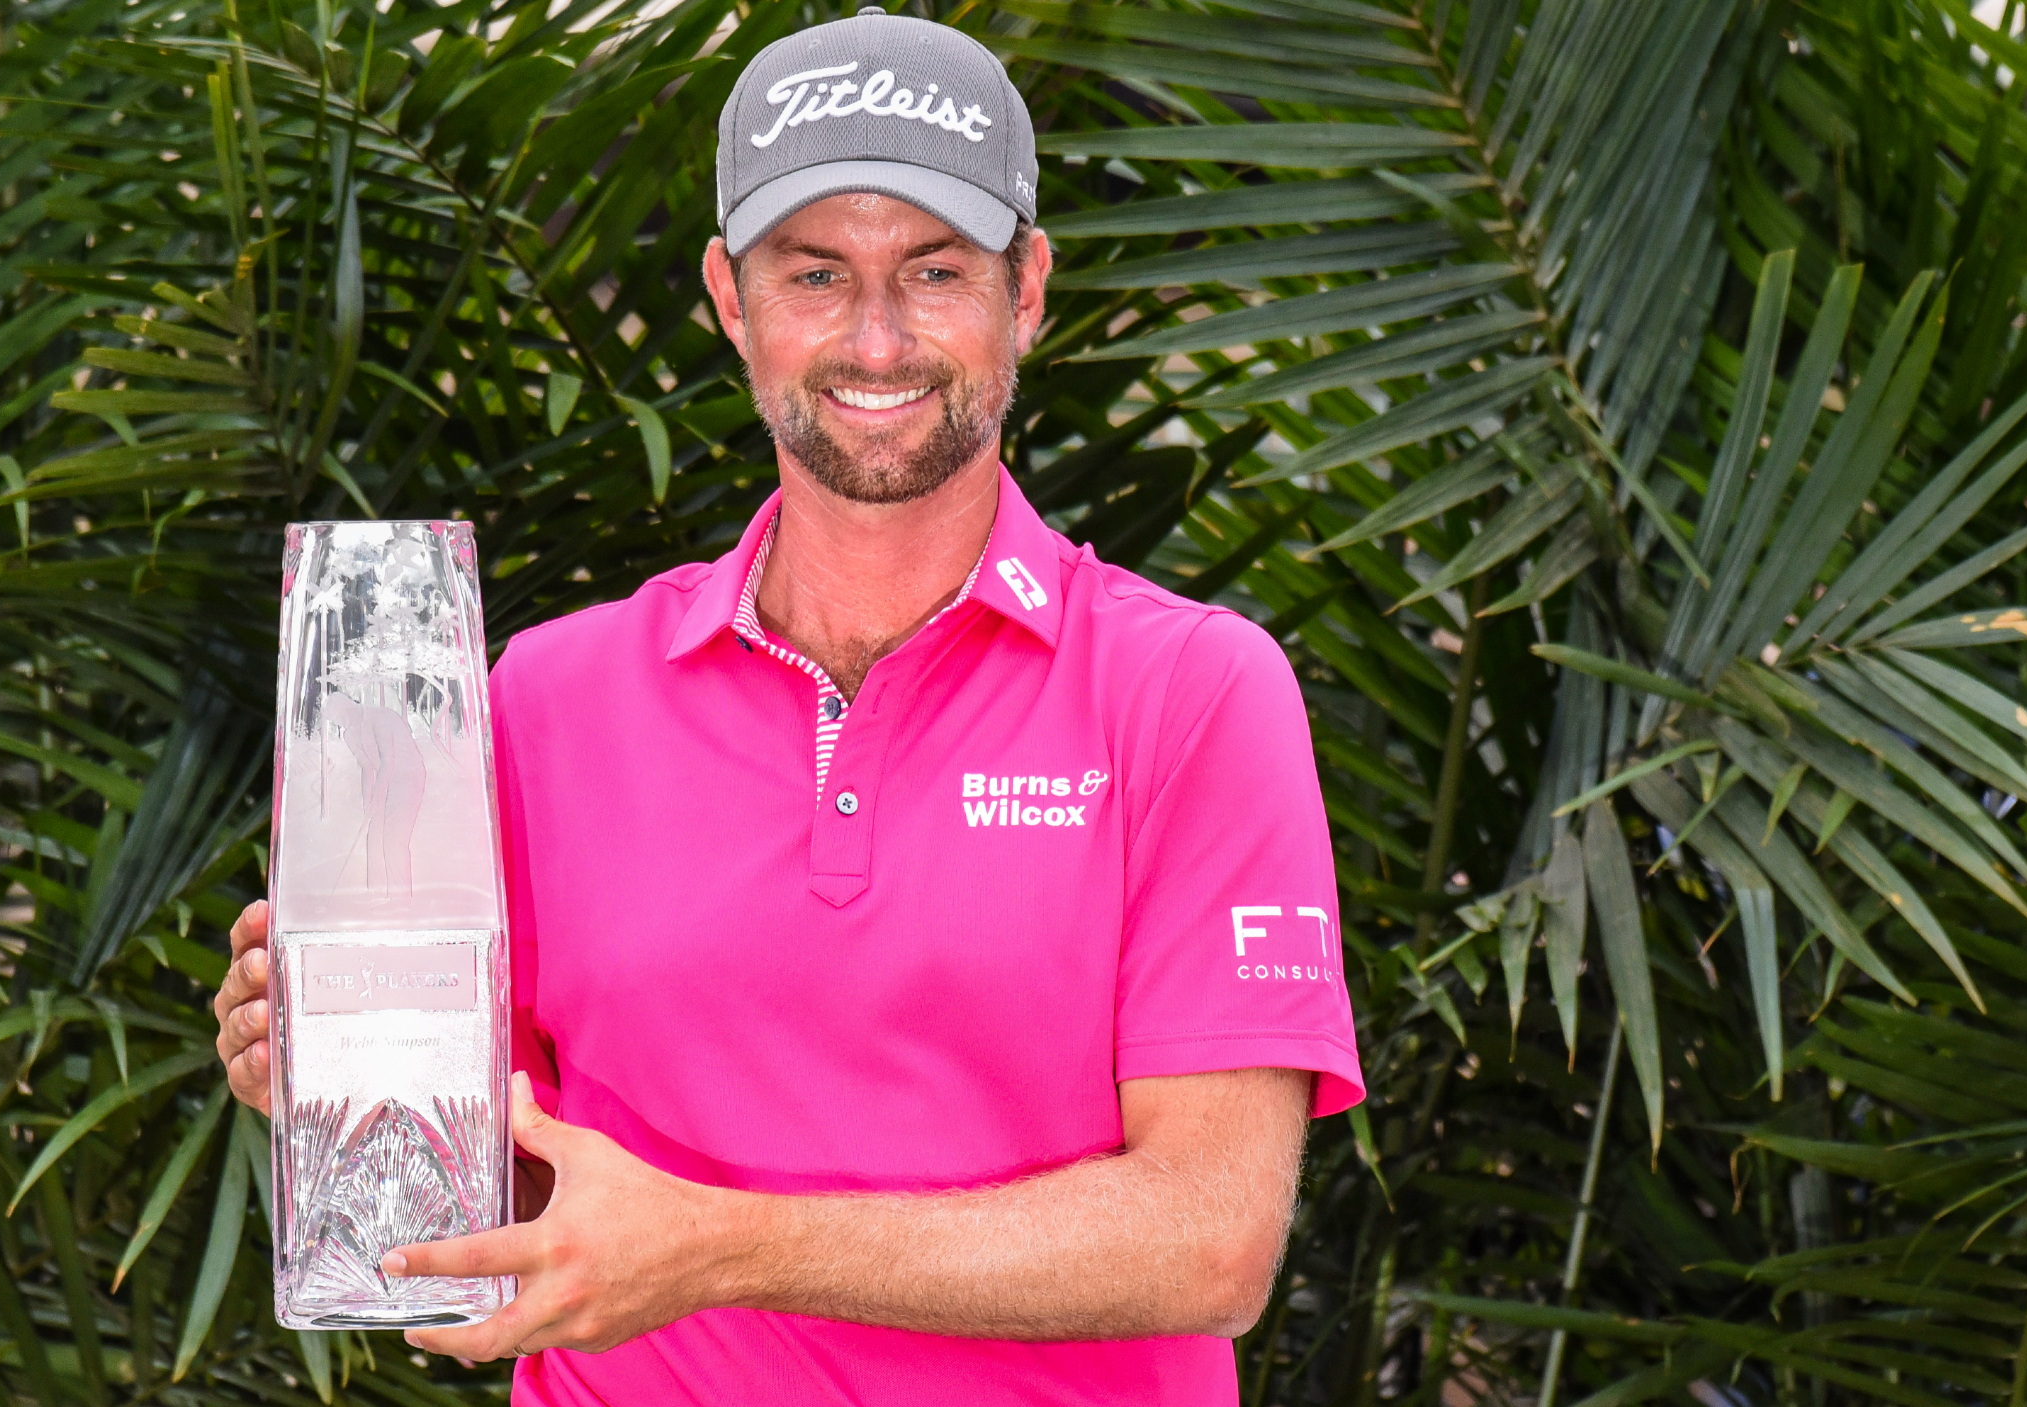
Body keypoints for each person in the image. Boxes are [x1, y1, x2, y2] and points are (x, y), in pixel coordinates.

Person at [213, 8, 1362, 1402]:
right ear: (728, 297)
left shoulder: (1190, 692)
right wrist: (345, 1079)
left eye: (935, 271)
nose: (876, 338)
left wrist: (719, 1249)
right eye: (815, 274)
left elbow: (1209, 1240)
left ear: (1030, 289)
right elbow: (512, 1185)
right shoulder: (546, 697)